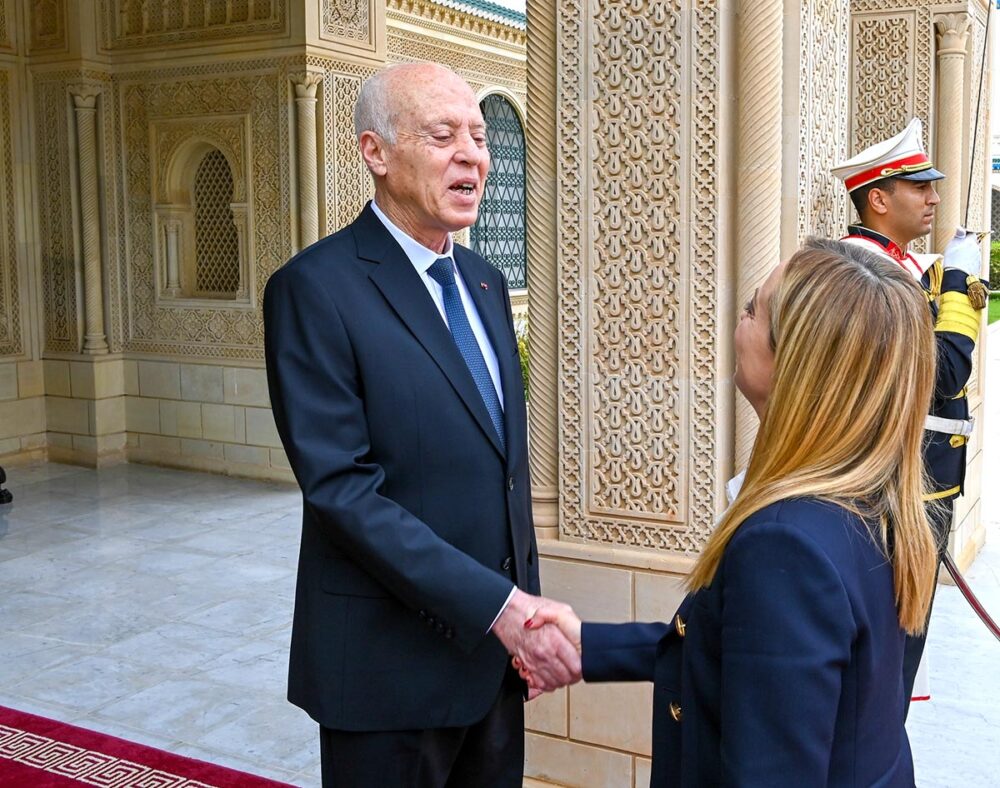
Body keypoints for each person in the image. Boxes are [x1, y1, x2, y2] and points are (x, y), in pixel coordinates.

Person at [263, 62, 579, 787]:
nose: (473, 153)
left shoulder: (485, 283)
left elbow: (500, 471)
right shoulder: (314, 290)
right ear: (376, 152)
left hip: (493, 665)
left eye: (479, 134)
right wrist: (499, 607)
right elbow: (342, 489)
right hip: (386, 674)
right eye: (444, 135)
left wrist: (519, 627)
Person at [520, 239, 940, 786]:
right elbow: (743, 650)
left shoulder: (787, 546)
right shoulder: (870, 502)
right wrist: (590, 646)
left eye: (752, 311)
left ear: (792, 362)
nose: (738, 324)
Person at [832, 118, 988, 707]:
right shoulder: (866, 271)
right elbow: (944, 374)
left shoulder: (897, 267)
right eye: (919, 187)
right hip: (894, 501)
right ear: (878, 198)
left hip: (918, 495)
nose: (935, 197)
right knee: (883, 680)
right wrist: (958, 285)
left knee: (897, 665)